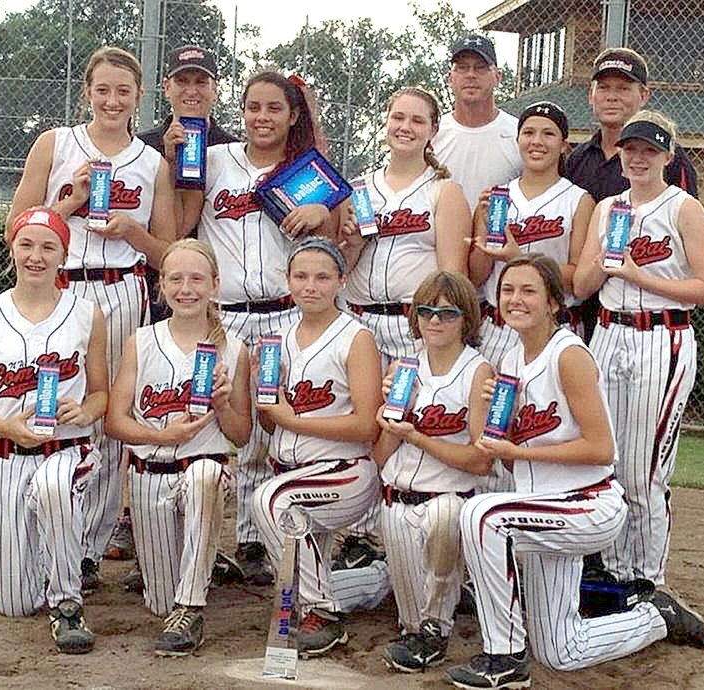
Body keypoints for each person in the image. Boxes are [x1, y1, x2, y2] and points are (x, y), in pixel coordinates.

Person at [444, 254, 704, 690]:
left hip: (589, 504)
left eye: (529, 290)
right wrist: (492, 419)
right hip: (544, 508)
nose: (515, 299)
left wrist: (520, 450)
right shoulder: (513, 361)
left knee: (482, 517)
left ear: (554, 303)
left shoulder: (568, 354)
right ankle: (657, 617)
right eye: (508, 290)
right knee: (561, 650)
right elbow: (509, 458)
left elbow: (600, 449)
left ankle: (504, 656)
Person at [6, 47, 176, 591]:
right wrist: (69, 203)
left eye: (123, 91)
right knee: (47, 406)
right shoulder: (55, 144)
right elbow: (17, 227)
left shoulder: (152, 163)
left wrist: (132, 232)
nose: (111, 100)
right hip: (59, 287)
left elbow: (168, 254)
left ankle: (89, 549)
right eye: (102, 89)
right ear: (87, 92)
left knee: (108, 418)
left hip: (122, 288)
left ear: (139, 97)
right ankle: (39, 531)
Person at [189, 71, 339, 585]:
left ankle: (254, 538)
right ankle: (195, 545)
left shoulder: (307, 173)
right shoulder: (212, 161)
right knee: (209, 424)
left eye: (274, 107)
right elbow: (178, 199)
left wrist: (322, 210)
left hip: (281, 314)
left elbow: (343, 232)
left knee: (265, 429)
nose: (262, 117)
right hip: (224, 315)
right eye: (253, 106)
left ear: (292, 115)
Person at [0, 207, 108, 654]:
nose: (36, 256)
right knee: (14, 604)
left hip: (66, 450)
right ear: (12, 248)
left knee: (55, 487)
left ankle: (68, 603)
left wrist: (87, 411)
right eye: (27, 244)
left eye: (48, 246)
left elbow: (101, 395)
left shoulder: (86, 314)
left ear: (63, 255)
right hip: (2, 455)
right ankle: (34, 563)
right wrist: (3, 425)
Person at [104, 44, 238, 581]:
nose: (192, 89)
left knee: (210, 404)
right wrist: (171, 161)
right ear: (165, 89)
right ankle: (135, 519)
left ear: (213, 88)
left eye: (201, 81)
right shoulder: (148, 146)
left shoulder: (227, 146)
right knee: (150, 402)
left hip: (207, 290)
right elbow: (173, 235)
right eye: (182, 80)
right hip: (165, 289)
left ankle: (211, 536)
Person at [574, 112, 704, 589]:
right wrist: (602, 260)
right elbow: (581, 285)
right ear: (620, 153)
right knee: (608, 462)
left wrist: (640, 275)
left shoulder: (683, 207)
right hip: (609, 332)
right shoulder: (608, 208)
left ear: (667, 156)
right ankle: (614, 569)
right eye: (631, 148)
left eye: (650, 150)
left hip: (663, 336)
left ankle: (647, 580)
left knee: (644, 471)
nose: (638, 157)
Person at [337, 86, 471, 570]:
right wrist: (348, 241)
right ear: (386, 122)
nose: (406, 127)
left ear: (433, 130)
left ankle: (402, 530)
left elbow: (452, 275)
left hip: (414, 326)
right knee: (362, 425)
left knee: (401, 423)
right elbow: (345, 264)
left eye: (418, 120)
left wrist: (438, 330)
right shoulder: (360, 186)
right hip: (359, 317)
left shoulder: (444, 190)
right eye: (398, 117)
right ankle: (360, 533)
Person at [105, 238, 251, 656]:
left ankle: (192, 605)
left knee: (204, 475)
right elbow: (116, 423)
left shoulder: (234, 348)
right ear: (161, 286)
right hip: (150, 473)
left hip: (203, 468)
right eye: (176, 278)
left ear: (215, 285)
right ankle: (202, 561)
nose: (186, 288)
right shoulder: (141, 341)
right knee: (157, 602)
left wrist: (222, 404)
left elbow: (241, 435)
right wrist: (159, 436)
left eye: (197, 278)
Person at [252, 238, 383, 657]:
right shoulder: (279, 339)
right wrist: (263, 395)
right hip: (294, 469)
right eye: (301, 276)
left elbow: (367, 425)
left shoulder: (356, 337)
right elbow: (268, 423)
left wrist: (291, 417)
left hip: (344, 472)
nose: (311, 286)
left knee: (271, 503)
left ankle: (324, 616)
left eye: (323, 277)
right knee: (295, 571)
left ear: (341, 281)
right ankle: (379, 580)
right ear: (287, 281)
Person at [373, 271, 493, 673]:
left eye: (446, 313)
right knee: (410, 622)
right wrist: (391, 422)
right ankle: (425, 626)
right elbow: (379, 456)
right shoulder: (403, 370)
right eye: (426, 312)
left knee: (443, 524)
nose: (434, 321)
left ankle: (437, 632)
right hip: (396, 499)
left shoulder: (478, 372)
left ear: (467, 319)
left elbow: (481, 460)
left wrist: (418, 436)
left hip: (448, 500)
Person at [566, 47, 698, 346]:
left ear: (644, 95)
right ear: (591, 95)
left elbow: (689, 251)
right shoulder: (577, 159)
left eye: (624, 88)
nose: (612, 96)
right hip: (588, 311)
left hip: (651, 319)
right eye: (604, 87)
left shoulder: (671, 162)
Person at [469, 102, 594, 370]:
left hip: (556, 326)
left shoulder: (579, 201)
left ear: (563, 145)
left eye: (548, 134)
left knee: (548, 412)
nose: (537, 141)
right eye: (528, 133)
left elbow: (578, 279)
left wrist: (518, 257)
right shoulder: (497, 197)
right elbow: (477, 276)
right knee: (494, 409)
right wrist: (484, 231)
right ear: (518, 140)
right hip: (498, 327)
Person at [432, 34, 522, 210]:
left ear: (498, 76)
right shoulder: (432, 133)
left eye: (480, 68)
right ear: (450, 78)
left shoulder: (519, 134)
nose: (471, 75)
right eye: (462, 68)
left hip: (501, 235)